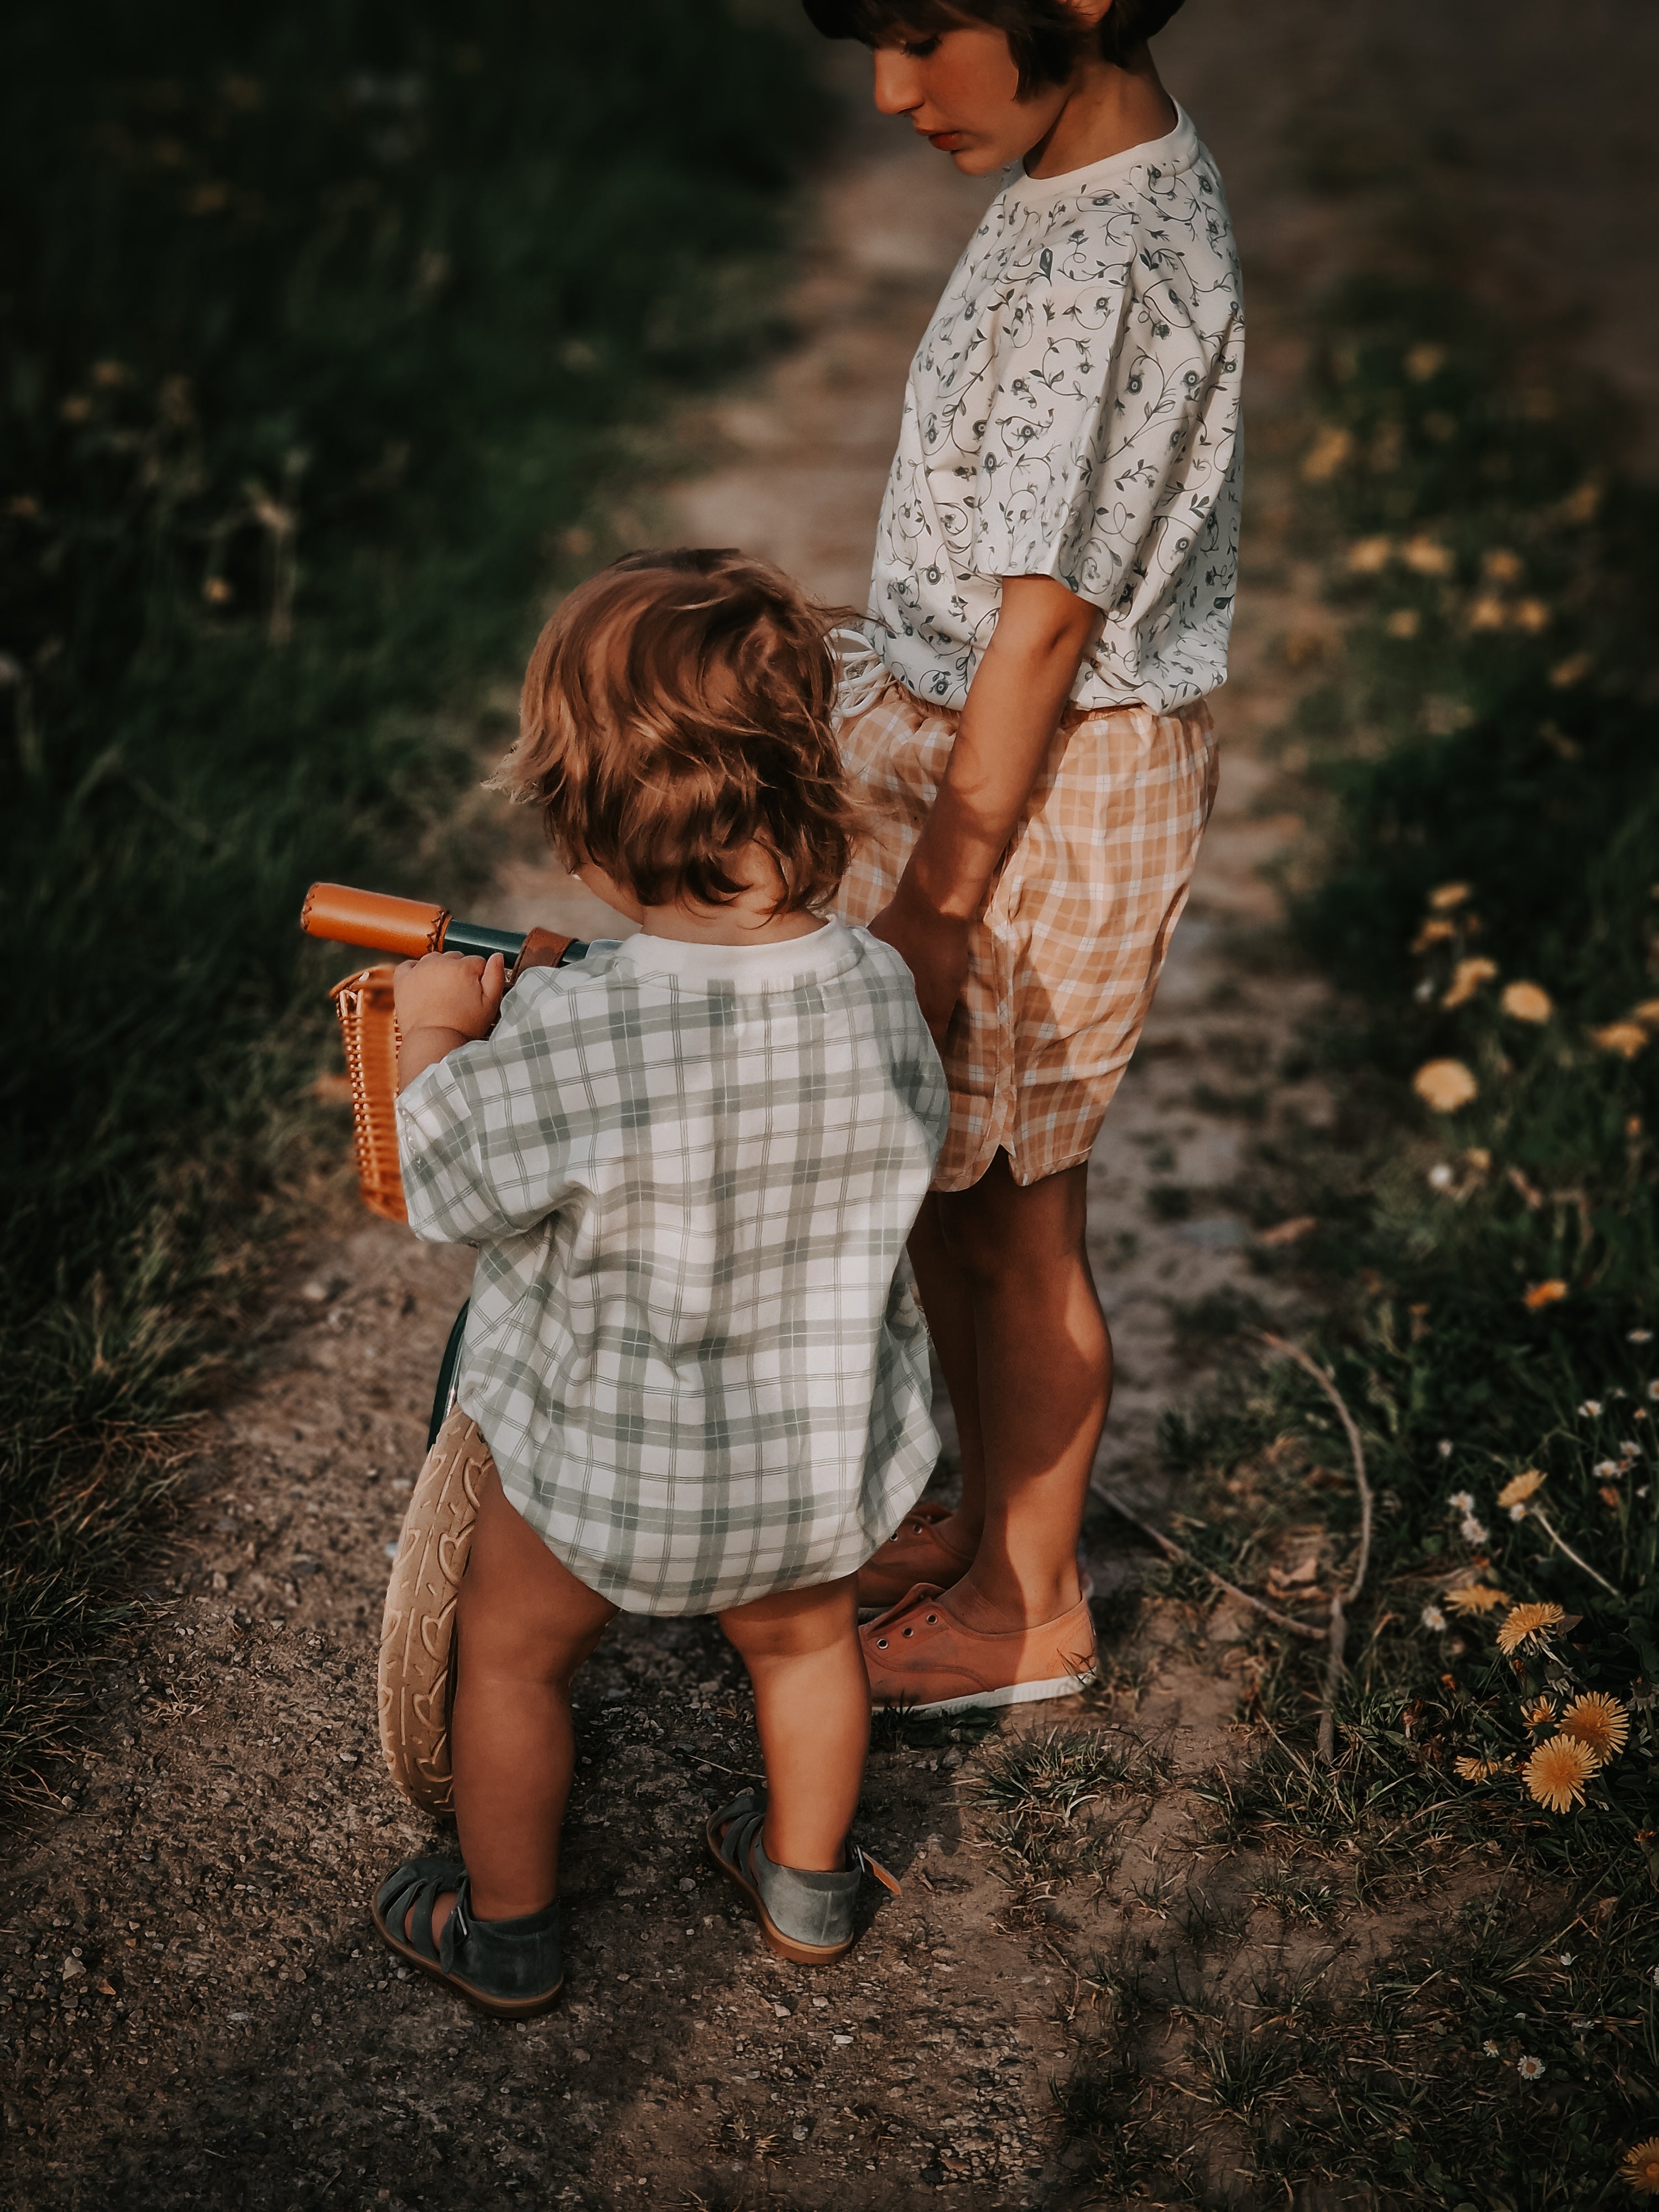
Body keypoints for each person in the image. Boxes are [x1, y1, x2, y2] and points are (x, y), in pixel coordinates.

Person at [372, 550, 946, 2016]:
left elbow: (442, 1186)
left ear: (594, 823)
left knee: (508, 1663)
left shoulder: (576, 1030)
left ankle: (505, 1925)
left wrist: (432, 1038)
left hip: (601, 1469)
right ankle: (806, 1882)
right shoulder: (876, 984)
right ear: (804, 783)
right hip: (808, 1466)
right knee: (811, 1649)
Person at [801, 0, 1243, 1709]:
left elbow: (1047, 625)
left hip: (1038, 788)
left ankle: (1030, 1607)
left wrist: (935, 898)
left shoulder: (1112, 257)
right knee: (952, 1184)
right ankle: (987, 1524)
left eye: (925, 32)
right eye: (869, 38)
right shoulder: (1070, 184)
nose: (892, 89)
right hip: (979, 758)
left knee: (1020, 1210)